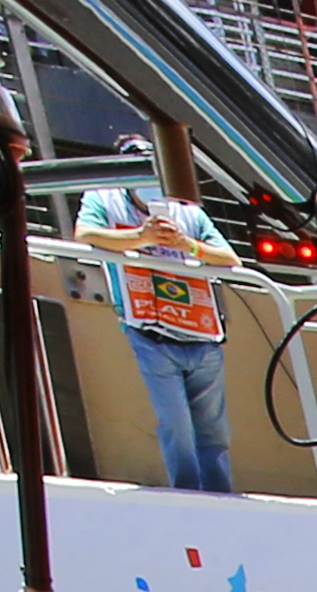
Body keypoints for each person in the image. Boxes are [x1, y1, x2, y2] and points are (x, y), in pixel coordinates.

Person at [75, 154, 238, 496]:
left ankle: (221, 498)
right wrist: (142, 237)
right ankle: (188, 496)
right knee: (176, 426)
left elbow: (228, 258)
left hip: (202, 335)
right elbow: (85, 233)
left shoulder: (188, 212)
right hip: (151, 334)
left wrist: (187, 245)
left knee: (213, 431)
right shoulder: (102, 197)